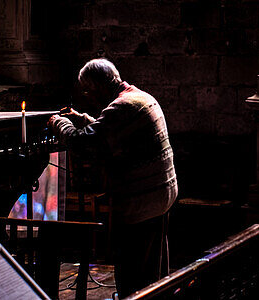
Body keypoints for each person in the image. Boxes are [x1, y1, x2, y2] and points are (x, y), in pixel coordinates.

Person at [48, 59, 178, 298]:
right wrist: (83, 119)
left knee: (133, 273)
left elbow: (83, 143)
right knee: (152, 269)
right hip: (161, 196)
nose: (88, 98)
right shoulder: (138, 97)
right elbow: (111, 133)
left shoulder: (122, 108)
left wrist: (61, 124)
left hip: (142, 202)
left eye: (87, 91)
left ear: (97, 88)